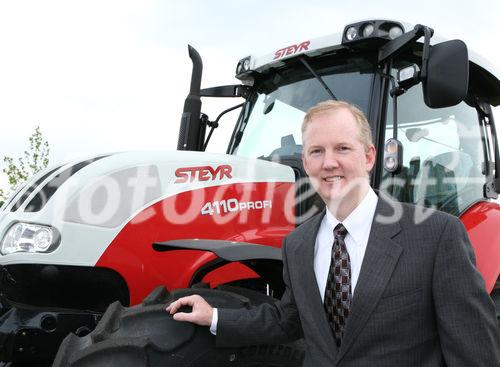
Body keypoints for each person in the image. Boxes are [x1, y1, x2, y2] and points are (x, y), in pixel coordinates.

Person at [167, 100, 500, 366]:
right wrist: (215, 317)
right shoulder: (297, 244)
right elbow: (289, 320)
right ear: (306, 162)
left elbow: (473, 350)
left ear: (369, 156)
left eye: (342, 148)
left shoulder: (436, 234)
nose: (329, 163)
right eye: (317, 151)